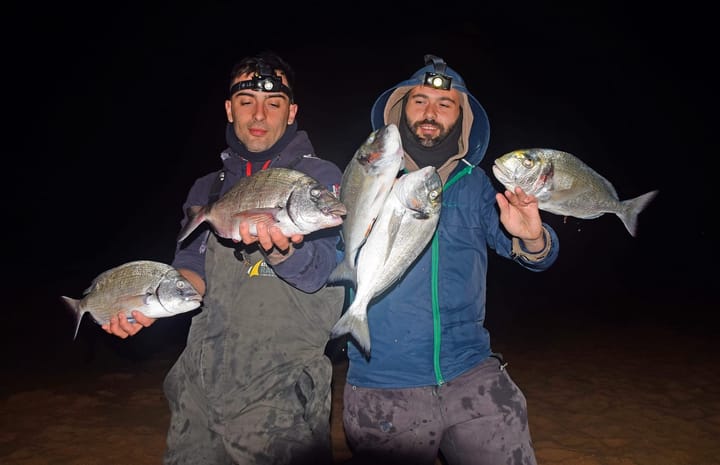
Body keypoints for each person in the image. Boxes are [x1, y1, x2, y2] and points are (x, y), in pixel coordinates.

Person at [103, 51, 345, 465]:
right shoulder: (207, 191)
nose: (259, 114)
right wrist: (148, 304)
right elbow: (192, 271)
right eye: (247, 100)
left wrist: (285, 251)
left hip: (281, 393)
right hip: (198, 392)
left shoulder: (319, 180)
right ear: (229, 108)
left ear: (291, 113)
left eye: (273, 104)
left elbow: (324, 274)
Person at [340, 54, 560, 465]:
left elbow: (537, 258)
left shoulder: (476, 185)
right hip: (384, 380)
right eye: (419, 101)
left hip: (472, 371)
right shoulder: (364, 178)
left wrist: (533, 238)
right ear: (400, 109)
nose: (430, 113)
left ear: (462, 119)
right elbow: (331, 261)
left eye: (445, 105)